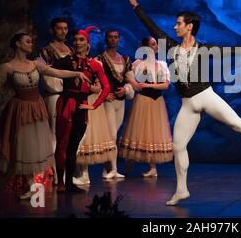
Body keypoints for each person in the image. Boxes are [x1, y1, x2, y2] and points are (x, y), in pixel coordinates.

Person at [126, 0, 241, 206]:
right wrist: (137, 7)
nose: (175, 27)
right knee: (178, 146)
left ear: (189, 27)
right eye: (175, 24)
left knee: (238, 126)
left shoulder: (205, 49)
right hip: (188, 105)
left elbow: (233, 50)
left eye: (178, 23)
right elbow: (152, 28)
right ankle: (182, 190)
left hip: (205, 96)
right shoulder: (171, 46)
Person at [0, 32, 89, 199]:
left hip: (36, 108)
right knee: (18, 147)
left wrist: (77, 74)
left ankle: (30, 186)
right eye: (27, 41)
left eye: (32, 42)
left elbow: (57, 73)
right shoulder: (7, 67)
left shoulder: (36, 64)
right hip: (20, 109)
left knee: (31, 146)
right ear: (18, 44)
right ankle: (1, 184)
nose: (31, 44)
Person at [54, 26, 110, 192]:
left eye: (81, 39)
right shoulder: (65, 61)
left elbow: (106, 88)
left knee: (73, 146)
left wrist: (94, 105)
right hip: (66, 104)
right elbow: (47, 70)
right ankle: (61, 184)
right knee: (62, 144)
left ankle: (69, 183)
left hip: (81, 106)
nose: (77, 42)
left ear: (88, 44)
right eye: (76, 39)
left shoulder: (95, 64)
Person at [119, 36, 173, 178]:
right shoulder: (137, 63)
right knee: (137, 130)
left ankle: (152, 167)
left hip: (156, 102)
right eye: (152, 44)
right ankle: (127, 167)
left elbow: (166, 85)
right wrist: (135, 83)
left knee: (153, 132)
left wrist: (149, 85)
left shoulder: (161, 64)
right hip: (142, 101)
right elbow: (128, 76)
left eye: (155, 44)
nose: (155, 47)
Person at [96, 30, 135, 179]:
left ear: (119, 40)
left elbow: (129, 79)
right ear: (106, 40)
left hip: (121, 101)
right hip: (108, 101)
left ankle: (108, 168)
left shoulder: (125, 59)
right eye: (110, 37)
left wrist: (126, 89)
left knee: (114, 134)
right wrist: (105, 94)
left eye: (116, 37)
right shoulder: (99, 59)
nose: (113, 39)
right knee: (111, 134)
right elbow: (96, 80)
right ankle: (112, 168)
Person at [38, 17, 73, 183]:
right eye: (59, 28)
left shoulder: (71, 50)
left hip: (70, 96)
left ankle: (66, 173)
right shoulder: (45, 52)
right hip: (55, 95)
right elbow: (46, 77)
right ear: (52, 30)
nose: (63, 31)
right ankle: (54, 174)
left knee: (69, 135)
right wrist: (62, 87)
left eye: (65, 28)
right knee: (54, 134)